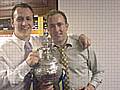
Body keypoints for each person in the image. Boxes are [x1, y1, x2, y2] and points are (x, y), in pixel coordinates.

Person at [0, 3, 91, 90]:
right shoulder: (3, 50)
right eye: (19, 19)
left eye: (28, 19)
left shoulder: (40, 41)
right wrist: (26, 65)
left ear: (32, 21)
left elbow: (58, 34)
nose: (24, 23)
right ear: (12, 22)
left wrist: (79, 37)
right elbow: (1, 83)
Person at [39, 10, 104, 90]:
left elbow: (99, 71)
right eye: (52, 26)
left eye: (60, 24)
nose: (56, 29)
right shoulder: (45, 52)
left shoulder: (83, 45)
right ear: (48, 29)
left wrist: (91, 86)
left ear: (66, 26)